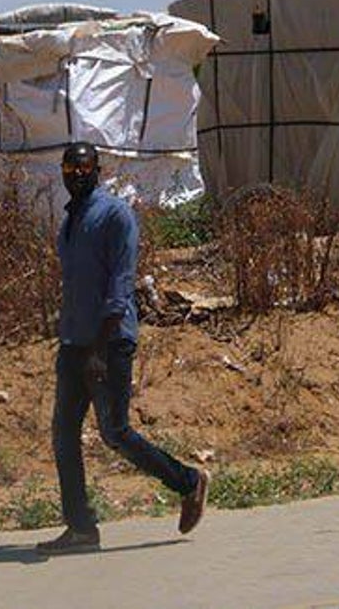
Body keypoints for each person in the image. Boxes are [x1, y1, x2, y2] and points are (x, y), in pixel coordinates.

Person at [36, 141, 208, 556]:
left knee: (115, 432)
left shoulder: (114, 215)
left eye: (83, 168)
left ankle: (188, 482)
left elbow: (119, 286)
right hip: (74, 341)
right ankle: (80, 528)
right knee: (63, 434)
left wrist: (98, 350)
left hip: (107, 344)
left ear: (97, 170)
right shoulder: (71, 218)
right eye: (69, 168)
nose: (76, 175)